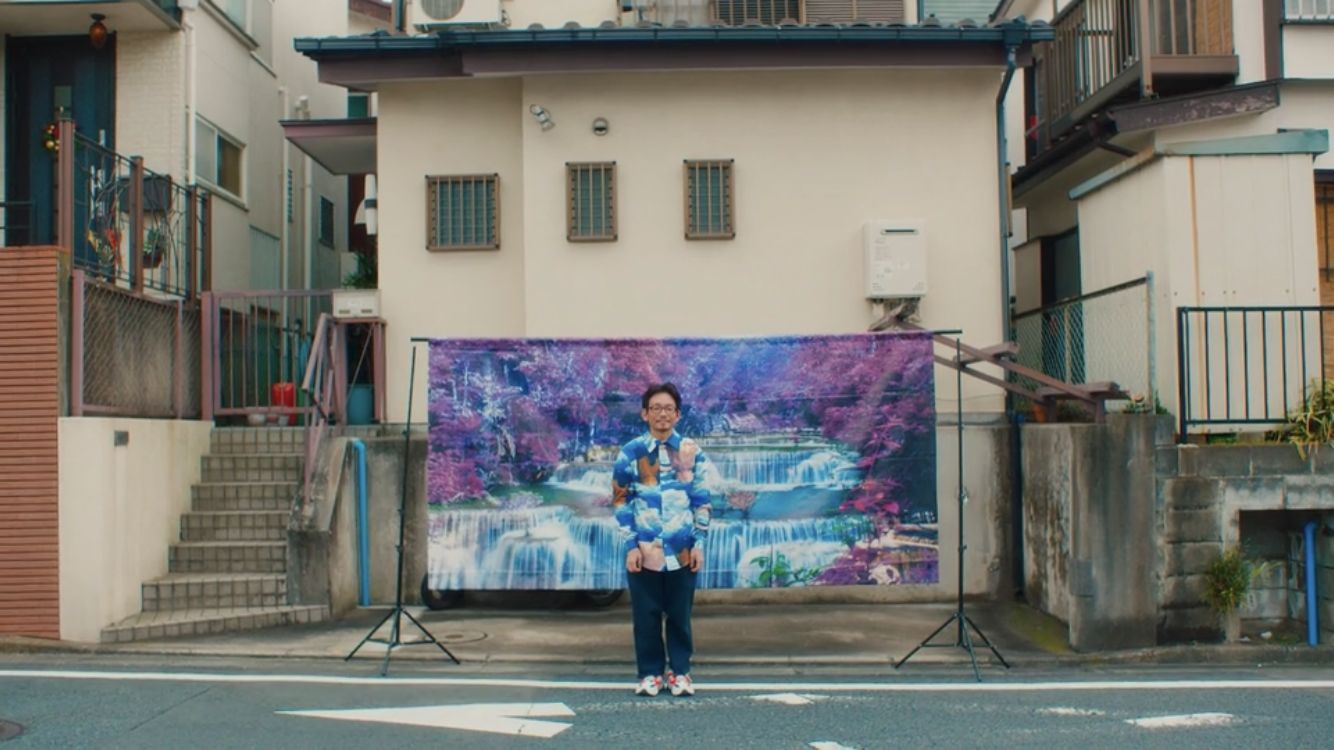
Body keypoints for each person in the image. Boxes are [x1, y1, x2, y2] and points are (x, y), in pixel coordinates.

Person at [611, 382, 715, 697]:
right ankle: (650, 674)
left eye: (668, 408)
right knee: (646, 615)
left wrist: (698, 542)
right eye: (655, 408)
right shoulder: (632, 452)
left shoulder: (691, 452)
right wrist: (630, 545)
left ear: (677, 414)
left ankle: (681, 672)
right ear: (645, 413)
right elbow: (620, 500)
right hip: (644, 549)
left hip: (682, 548)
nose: (662, 414)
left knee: (680, 615)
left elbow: (702, 499)